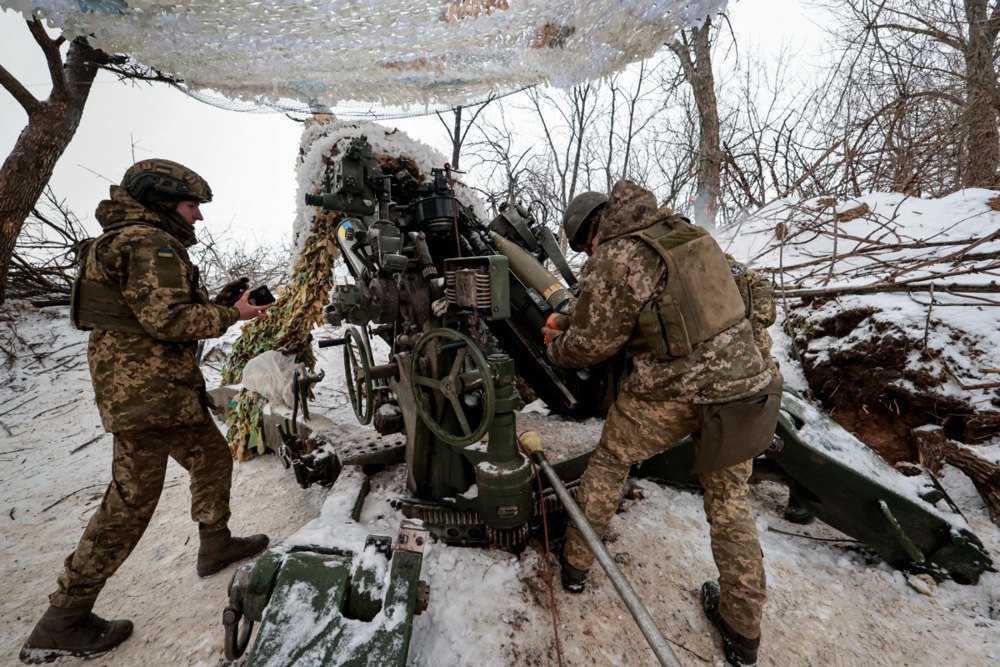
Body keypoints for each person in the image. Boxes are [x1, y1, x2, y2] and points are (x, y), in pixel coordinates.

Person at [20, 159, 272, 664]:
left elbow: (145, 309)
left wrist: (221, 301)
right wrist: (234, 314)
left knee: (212, 458)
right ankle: (64, 618)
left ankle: (215, 544)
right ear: (161, 200)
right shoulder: (148, 243)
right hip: (149, 397)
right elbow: (168, 319)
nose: (198, 215)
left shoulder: (130, 239)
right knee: (129, 504)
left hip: (159, 390)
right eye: (191, 204)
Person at [544, 180, 783, 667]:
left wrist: (556, 346)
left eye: (583, 247)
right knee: (731, 500)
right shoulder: (689, 234)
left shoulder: (617, 255)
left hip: (673, 391)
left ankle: (575, 566)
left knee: (611, 460)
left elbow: (591, 345)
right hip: (744, 388)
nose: (589, 254)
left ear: (592, 232)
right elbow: (758, 291)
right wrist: (747, 342)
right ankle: (743, 632)